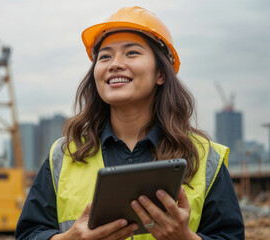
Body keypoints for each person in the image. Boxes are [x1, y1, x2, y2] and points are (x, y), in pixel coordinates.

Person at [15, 6, 244, 240]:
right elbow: (29, 234)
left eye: (132, 53)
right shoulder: (64, 155)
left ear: (161, 74)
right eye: (105, 56)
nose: (115, 64)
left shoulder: (205, 158)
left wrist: (185, 238)